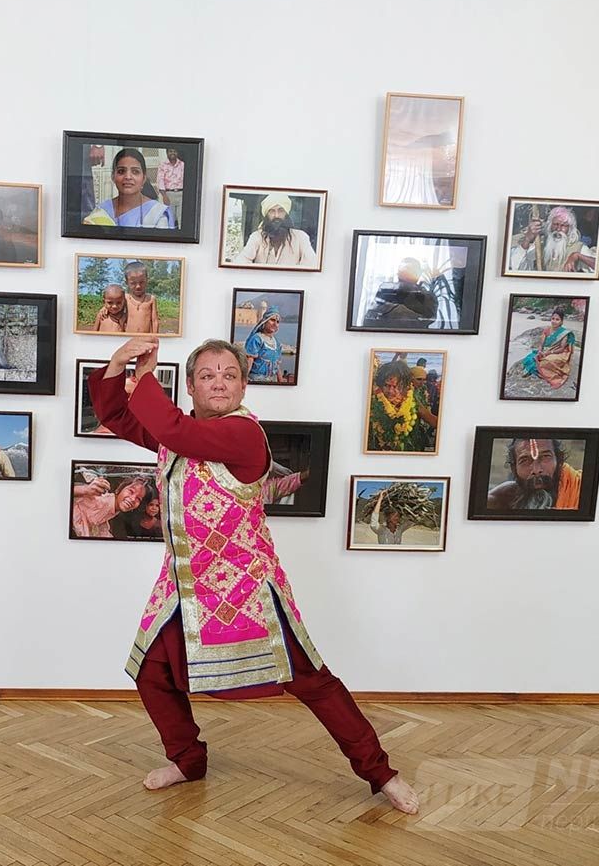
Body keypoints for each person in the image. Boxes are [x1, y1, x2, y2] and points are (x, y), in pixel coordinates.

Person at [86, 336, 419, 814]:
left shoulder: (242, 434)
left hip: (245, 586)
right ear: (191, 386)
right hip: (183, 583)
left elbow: (175, 430)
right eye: (206, 375)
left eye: (229, 374)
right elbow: (120, 418)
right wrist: (118, 365)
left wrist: (143, 377)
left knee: (311, 680)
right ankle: (188, 760)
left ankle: (381, 772)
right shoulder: (176, 433)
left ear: (244, 385)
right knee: (151, 671)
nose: (218, 382)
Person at [84, 148, 174, 229]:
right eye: (121, 171)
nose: (128, 177)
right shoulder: (102, 211)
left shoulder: (157, 214)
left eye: (135, 172)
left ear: (144, 178)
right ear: (113, 177)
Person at [487, 438, 582, 511]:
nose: (536, 470)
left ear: (559, 460)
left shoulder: (582, 489)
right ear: (513, 468)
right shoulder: (499, 501)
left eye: (545, 457)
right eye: (524, 460)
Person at [234, 193, 317, 267]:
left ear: (286, 213)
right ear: (266, 215)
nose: (276, 215)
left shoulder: (301, 237)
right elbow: (240, 262)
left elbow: (311, 264)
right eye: (271, 211)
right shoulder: (256, 237)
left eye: (281, 211)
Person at [507, 206, 597, 273]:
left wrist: (577, 255)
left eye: (564, 225)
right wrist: (527, 239)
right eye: (556, 224)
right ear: (550, 226)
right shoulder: (540, 246)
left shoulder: (578, 247)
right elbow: (516, 267)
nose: (558, 229)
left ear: (570, 229)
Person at [366, 359, 421, 452]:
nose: (391, 391)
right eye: (387, 385)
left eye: (396, 387)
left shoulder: (413, 403)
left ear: (406, 387)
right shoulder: (372, 404)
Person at [71, 474, 150, 538]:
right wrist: (85, 489)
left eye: (138, 499)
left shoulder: (111, 513)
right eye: (131, 491)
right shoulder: (101, 496)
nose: (133, 499)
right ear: (119, 489)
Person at [521, 309, 576, 390]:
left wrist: (549, 353)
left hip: (557, 353)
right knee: (530, 358)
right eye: (553, 319)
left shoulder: (564, 333)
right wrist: (540, 351)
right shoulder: (547, 330)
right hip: (545, 351)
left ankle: (544, 373)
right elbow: (541, 344)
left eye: (557, 319)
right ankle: (539, 370)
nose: (554, 321)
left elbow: (561, 348)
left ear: (561, 321)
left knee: (547, 362)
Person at [243, 307, 283, 383]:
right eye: (272, 320)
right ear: (265, 321)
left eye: (277, 322)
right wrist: (243, 380)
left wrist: (281, 383)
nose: (275, 324)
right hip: (257, 379)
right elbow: (249, 361)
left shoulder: (277, 343)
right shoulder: (257, 339)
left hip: (272, 380)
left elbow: (277, 366)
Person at [122, 261, 159, 334]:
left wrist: (155, 337)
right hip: (128, 338)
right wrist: (104, 309)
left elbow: (154, 321)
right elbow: (113, 307)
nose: (138, 286)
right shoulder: (125, 298)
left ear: (147, 280)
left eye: (142, 282)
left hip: (145, 338)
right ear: (127, 283)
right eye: (133, 283)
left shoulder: (151, 299)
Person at [156, 148, 184, 227]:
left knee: (181, 218)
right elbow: (160, 180)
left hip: (181, 194)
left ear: (177, 152)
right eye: (170, 151)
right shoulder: (163, 165)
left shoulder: (182, 165)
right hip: (169, 194)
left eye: (174, 151)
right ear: (167, 153)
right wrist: (164, 196)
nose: (172, 153)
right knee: (170, 218)